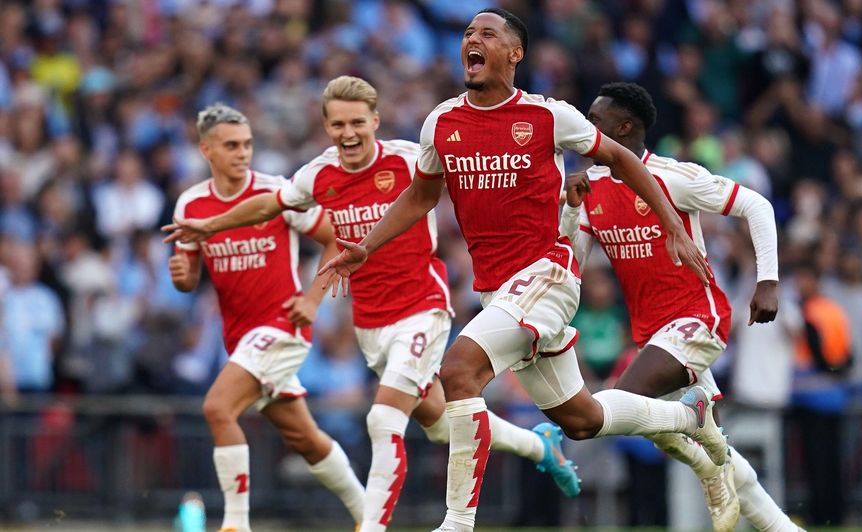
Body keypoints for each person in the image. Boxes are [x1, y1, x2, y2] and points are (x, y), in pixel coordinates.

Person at [317, 9, 728, 532]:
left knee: (459, 370)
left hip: (547, 277)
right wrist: (366, 247)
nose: (473, 39)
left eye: (488, 33)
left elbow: (623, 159)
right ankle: (690, 416)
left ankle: (458, 522)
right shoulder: (441, 122)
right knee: (581, 420)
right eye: (468, 33)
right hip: (498, 293)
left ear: (515, 54)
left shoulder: (548, 116)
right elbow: (421, 194)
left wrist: (671, 221)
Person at [164, 77, 583, 532]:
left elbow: (486, 179)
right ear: (326, 126)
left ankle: (370, 527)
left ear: (375, 121)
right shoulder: (318, 174)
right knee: (442, 424)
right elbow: (270, 205)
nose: (348, 133)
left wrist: (554, 198)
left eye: (358, 123)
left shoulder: (409, 159)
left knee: (383, 418)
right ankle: (540, 447)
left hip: (423, 308)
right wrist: (211, 226)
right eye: (338, 124)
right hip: (370, 324)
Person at [560, 81, 801, 532]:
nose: (584, 129)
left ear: (624, 127)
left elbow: (757, 204)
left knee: (619, 405)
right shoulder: (590, 186)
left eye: (594, 121)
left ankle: (704, 439)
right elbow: (573, 267)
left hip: (697, 319)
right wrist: (571, 210)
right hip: (652, 334)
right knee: (687, 443)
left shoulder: (672, 177)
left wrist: (768, 282)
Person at [166, 104, 364, 532]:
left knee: (218, 407)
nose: (243, 153)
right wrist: (183, 276)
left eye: (248, 144)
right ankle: (370, 515)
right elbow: (189, 277)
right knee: (305, 439)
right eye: (232, 145)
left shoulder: (277, 192)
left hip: (284, 325)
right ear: (206, 150)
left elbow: (335, 240)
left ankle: (236, 524)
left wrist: (313, 300)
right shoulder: (192, 203)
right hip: (239, 339)